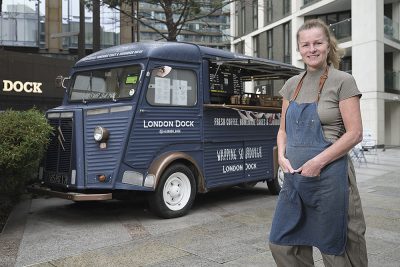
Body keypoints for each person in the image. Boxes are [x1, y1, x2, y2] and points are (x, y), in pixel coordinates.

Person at [269, 19, 368, 267]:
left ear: (328, 46)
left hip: (331, 178)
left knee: (336, 247)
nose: (311, 49)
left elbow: (355, 133)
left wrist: (317, 162)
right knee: (283, 243)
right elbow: (283, 131)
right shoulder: (291, 85)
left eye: (317, 43)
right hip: (295, 179)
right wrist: (281, 156)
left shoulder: (343, 81)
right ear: (299, 49)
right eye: (306, 45)